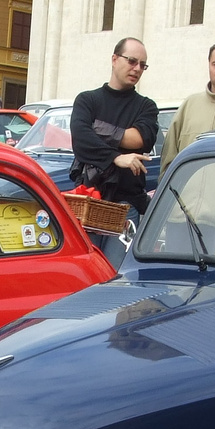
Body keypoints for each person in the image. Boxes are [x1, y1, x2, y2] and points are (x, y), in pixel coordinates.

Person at [70, 37, 159, 264]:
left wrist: (96, 127)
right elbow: (81, 140)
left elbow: (140, 138)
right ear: (114, 59)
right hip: (90, 201)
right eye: (132, 61)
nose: (137, 69)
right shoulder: (87, 100)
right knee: (86, 270)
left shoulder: (146, 106)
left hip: (125, 206)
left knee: (114, 273)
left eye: (142, 65)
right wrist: (116, 157)